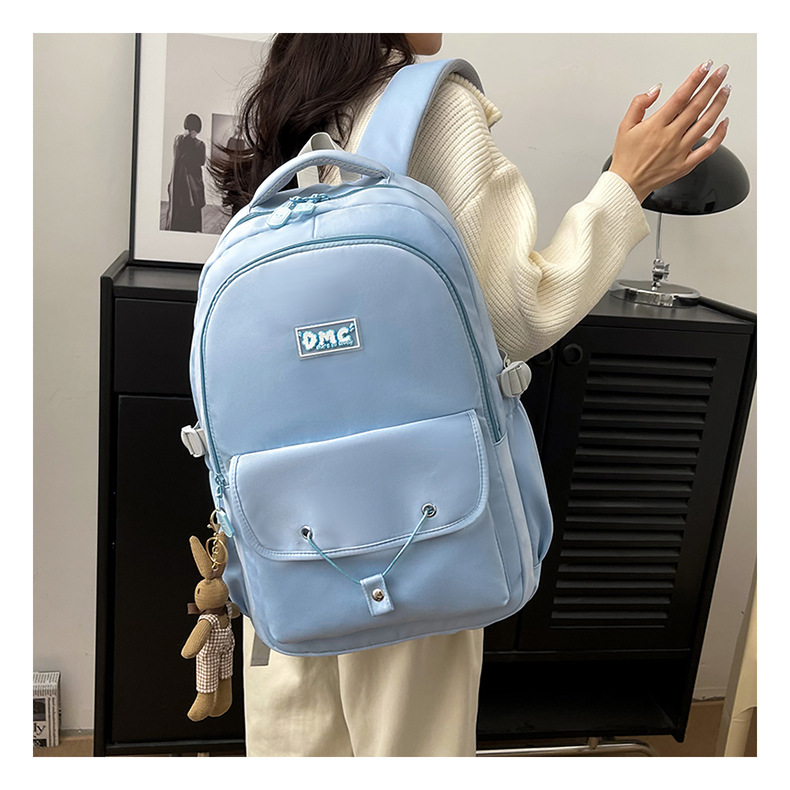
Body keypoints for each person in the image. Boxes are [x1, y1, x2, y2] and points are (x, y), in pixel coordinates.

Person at [208, 33, 731, 757]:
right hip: (415, 531)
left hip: (281, 531)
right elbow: (517, 316)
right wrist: (625, 184)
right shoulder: (433, 105)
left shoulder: (285, 105)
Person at [165, 113, 206, 232]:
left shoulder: (179, 141)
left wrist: (187, 138)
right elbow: (200, 161)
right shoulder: (198, 144)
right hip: (191, 184)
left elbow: (182, 157)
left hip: (179, 183)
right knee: (191, 212)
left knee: (179, 211)